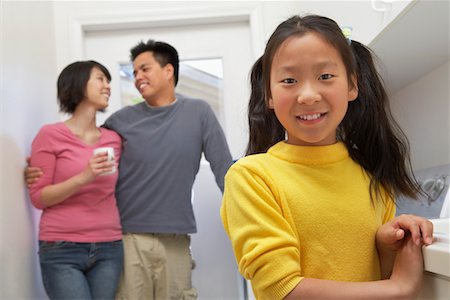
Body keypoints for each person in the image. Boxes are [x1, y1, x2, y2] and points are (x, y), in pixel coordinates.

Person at [220, 15, 434, 300]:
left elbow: (371, 279)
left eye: (324, 76)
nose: (308, 95)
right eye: (289, 80)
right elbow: (281, 290)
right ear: (269, 95)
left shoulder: (370, 174)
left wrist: (385, 243)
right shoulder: (251, 177)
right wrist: (400, 287)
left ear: (351, 86)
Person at [27, 40, 233, 299]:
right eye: (134, 72)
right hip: (127, 238)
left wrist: (247, 218)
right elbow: (80, 152)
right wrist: (35, 167)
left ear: (168, 71)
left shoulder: (199, 112)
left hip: (175, 237)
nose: (137, 77)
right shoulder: (120, 122)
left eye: (144, 69)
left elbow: (224, 169)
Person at [28, 60, 123, 300]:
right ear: (79, 84)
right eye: (100, 78)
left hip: (109, 247)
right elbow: (39, 197)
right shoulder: (50, 135)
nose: (108, 86)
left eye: (108, 81)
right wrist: (84, 177)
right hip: (61, 248)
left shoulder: (114, 139)